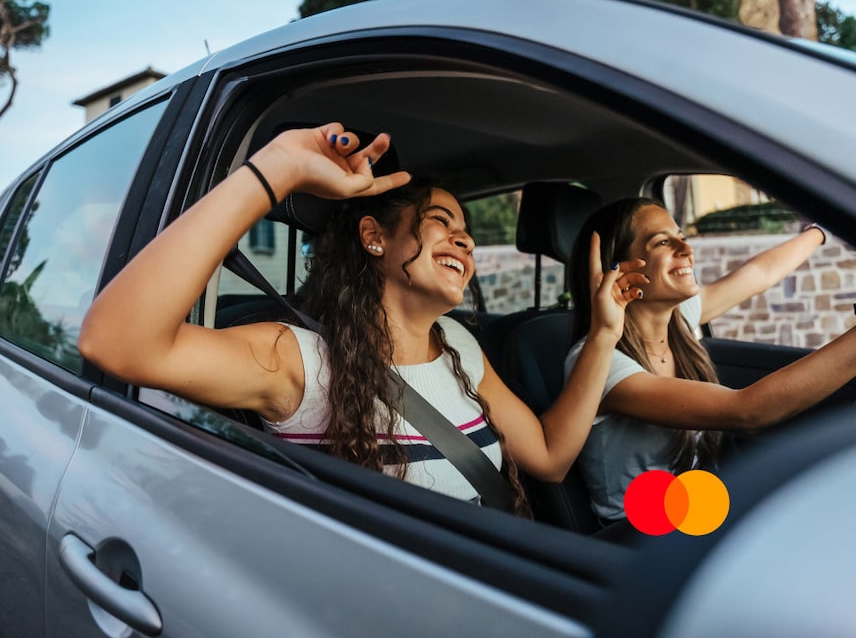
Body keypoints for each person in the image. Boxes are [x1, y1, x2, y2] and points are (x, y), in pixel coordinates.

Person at [79, 122, 646, 515]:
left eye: (466, 230)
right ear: (375, 238)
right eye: (441, 221)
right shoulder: (296, 360)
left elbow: (549, 459)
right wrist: (277, 169)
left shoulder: (458, 345)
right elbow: (116, 343)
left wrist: (603, 334)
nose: (466, 239)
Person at [566, 196, 856, 524]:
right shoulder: (600, 363)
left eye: (682, 237)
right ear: (618, 272)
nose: (686, 249)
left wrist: (823, 230)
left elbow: (761, 273)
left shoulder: (679, 320)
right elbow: (748, 411)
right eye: (663, 242)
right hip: (642, 532)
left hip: (694, 507)